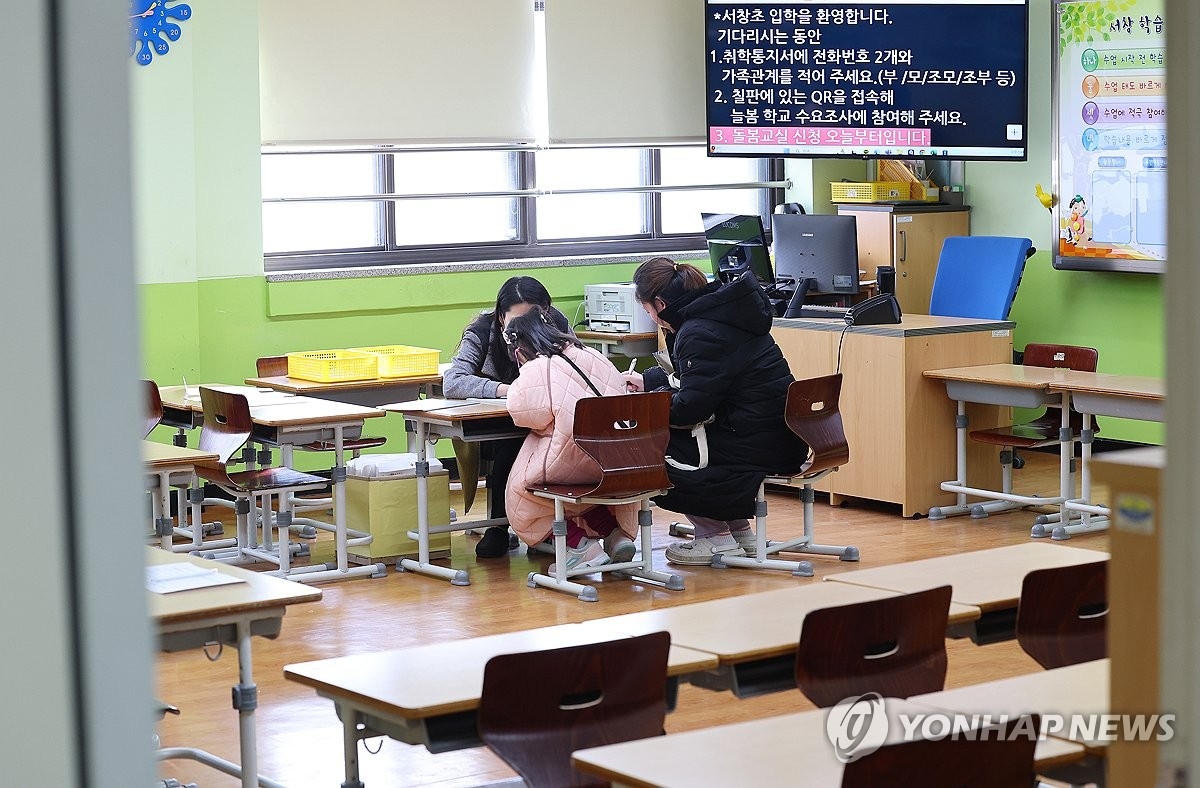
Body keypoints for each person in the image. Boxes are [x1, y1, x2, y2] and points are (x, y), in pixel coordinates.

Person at [622, 257, 808, 565]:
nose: (649, 316)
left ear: (659, 303)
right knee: (679, 436)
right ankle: (738, 532)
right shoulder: (721, 313)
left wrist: (647, 406)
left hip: (756, 443)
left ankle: (714, 536)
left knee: (646, 448)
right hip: (780, 433)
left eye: (646, 309)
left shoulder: (698, 330)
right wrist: (648, 381)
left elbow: (690, 409)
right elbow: (702, 377)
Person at [442, 276, 573, 558]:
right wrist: (506, 389)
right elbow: (452, 382)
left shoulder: (559, 325)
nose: (525, 329)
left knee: (564, 446)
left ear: (547, 312)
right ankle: (499, 527)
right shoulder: (481, 332)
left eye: (534, 319)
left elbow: (575, 367)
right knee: (512, 446)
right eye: (515, 323)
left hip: (549, 418)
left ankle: (551, 528)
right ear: (501, 318)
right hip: (499, 423)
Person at [503, 306, 638, 573]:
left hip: (569, 465)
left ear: (520, 352)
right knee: (583, 496)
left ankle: (579, 547)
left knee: (523, 494)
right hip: (615, 463)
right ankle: (614, 535)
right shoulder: (595, 356)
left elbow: (524, 414)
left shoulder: (539, 367)